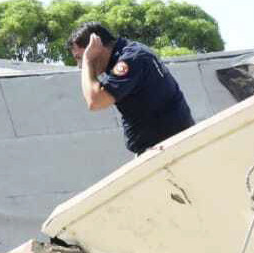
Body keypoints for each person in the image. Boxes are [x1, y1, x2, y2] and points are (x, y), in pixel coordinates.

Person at [69, 22, 195, 156]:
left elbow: (95, 101)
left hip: (169, 147)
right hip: (164, 146)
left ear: (96, 47)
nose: (80, 66)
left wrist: (88, 60)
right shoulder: (126, 54)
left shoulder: (131, 58)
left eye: (79, 58)